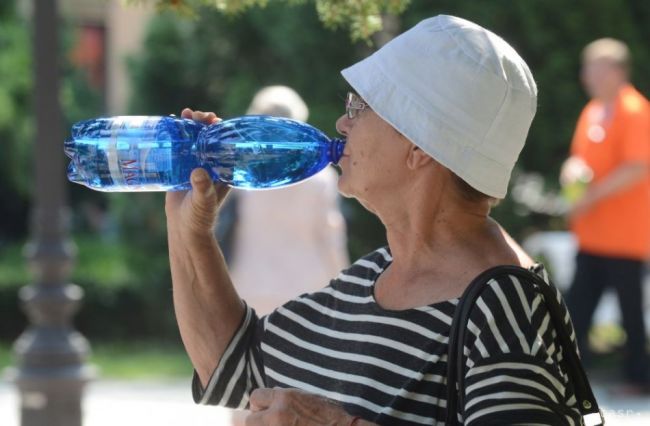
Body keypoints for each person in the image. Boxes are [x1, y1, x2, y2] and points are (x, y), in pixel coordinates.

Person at [166, 15, 583, 425]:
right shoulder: (372, 277)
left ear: (420, 146)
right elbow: (235, 366)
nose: (342, 123)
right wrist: (190, 230)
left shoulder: (506, 303)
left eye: (360, 107)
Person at [561, 38, 650, 393]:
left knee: (631, 313)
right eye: (586, 68)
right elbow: (577, 158)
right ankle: (566, 375)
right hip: (592, 234)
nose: (588, 75)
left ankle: (639, 379)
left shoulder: (635, 110)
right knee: (575, 309)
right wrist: (570, 172)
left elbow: (639, 166)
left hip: (624, 238)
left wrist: (593, 195)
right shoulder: (593, 110)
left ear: (617, 70)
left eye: (595, 68)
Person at [228, 85, 349, 316]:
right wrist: (342, 285)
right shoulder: (321, 177)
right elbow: (331, 235)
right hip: (308, 285)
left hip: (251, 283)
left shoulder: (243, 175)